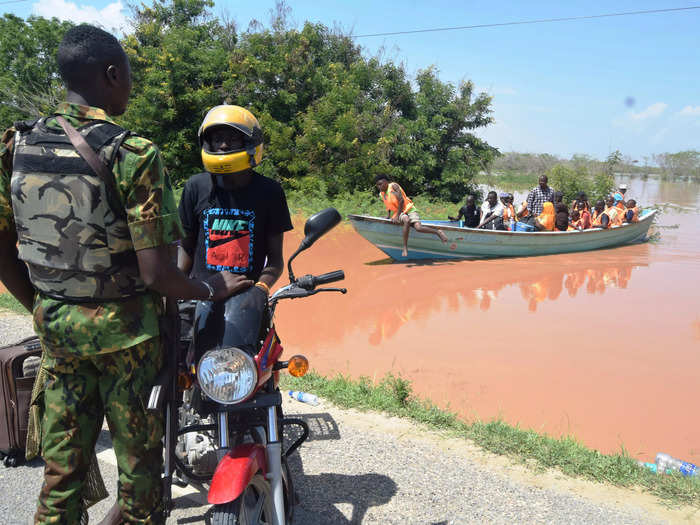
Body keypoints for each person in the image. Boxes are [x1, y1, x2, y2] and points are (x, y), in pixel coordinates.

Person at [0, 25, 246, 525]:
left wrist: (48, 307)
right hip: (129, 341)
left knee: (61, 471)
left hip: (58, 333)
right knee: (139, 475)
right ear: (112, 75)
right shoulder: (132, 153)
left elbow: (3, 249)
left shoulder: (14, 144)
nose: (130, 84)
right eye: (129, 74)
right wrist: (208, 287)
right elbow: (157, 274)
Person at [177, 105, 293, 314]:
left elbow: (275, 260)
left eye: (232, 138)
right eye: (217, 138)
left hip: (246, 302)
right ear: (207, 143)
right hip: (201, 297)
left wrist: (261, 289)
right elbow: (186, 248)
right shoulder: (195, 187)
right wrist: (177, 293)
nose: (222, 145)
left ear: (250, 143)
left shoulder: (270, 192)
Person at [374, 174, 447, 257]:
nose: (379, 187)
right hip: (399, 211)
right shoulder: (381, 194)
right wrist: (388, 216)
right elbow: (388, 204)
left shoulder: (393, 186)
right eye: (378, 185)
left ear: (386, 182)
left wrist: (397, 216)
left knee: (418, 227)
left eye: (381, 184)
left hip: (408, 209)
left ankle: (437, 232)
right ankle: (405, 247)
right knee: (406, 220)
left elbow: (401, 201)